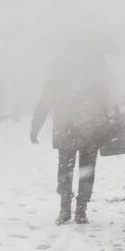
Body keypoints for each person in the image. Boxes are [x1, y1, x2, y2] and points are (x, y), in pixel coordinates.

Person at [30, 37, 116, 225]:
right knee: (86, 169)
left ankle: (66, 209)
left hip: (69, 124)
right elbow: (110, 92)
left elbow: (48, 95)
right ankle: (80, 210)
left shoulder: (62, 62)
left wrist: (36, 123)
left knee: (65, 169)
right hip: (89, 124)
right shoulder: (98, 62)